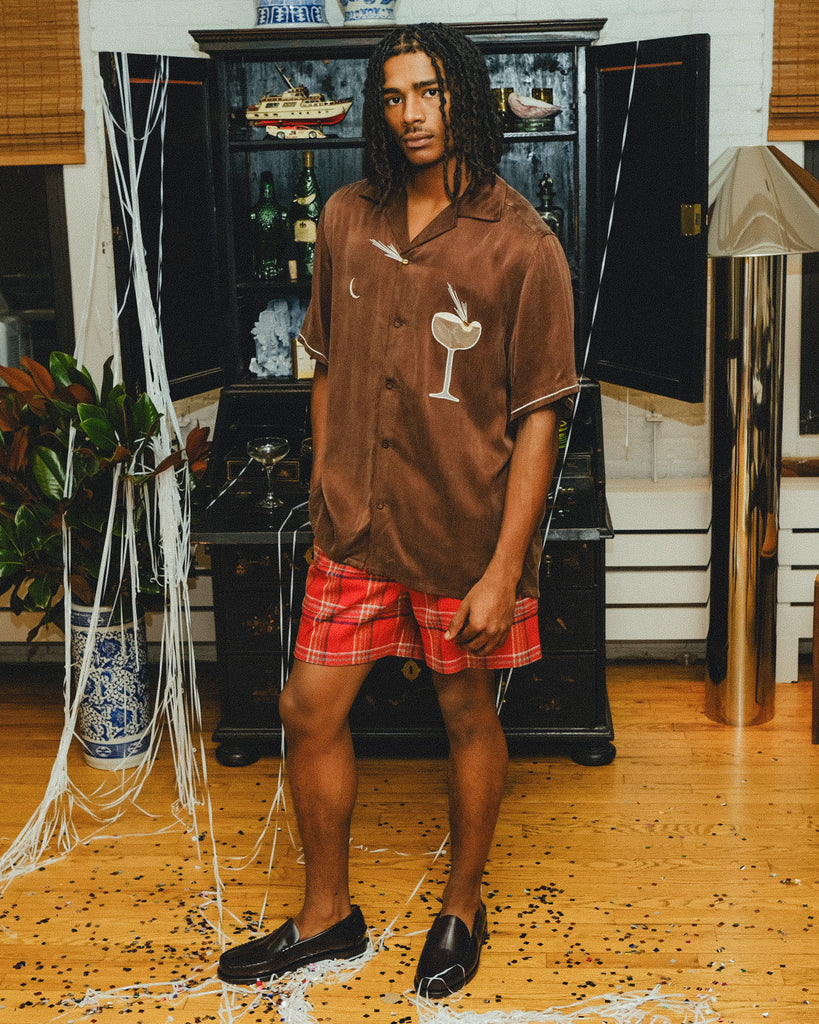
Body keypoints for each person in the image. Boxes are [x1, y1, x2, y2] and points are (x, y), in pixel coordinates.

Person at [217, 22, 578, 999]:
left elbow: (541, 417)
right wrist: (325, 477)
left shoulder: (523, 244)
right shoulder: (346, 216)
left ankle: (461, 903)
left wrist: (506, 566)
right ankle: (328, 915)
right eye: (392, 96)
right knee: (306, 706)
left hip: (463, 532)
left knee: (465, 710)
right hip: (357, 525)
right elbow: (326, 358)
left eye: (428, 92)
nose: (410, 113)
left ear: (461, 96)